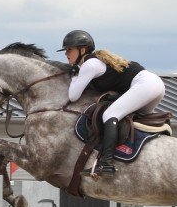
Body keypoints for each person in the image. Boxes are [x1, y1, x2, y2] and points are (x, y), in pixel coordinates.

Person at [58, 30, 165, 177]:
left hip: (145, 84)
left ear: (82, 49)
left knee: (110, 114)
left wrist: (74, 75)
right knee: (127, 117)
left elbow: (73, 95)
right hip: (155, 85)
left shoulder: (90, 64)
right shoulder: (98, 62)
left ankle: (106, 163)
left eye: (69, 49)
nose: (66, 53)